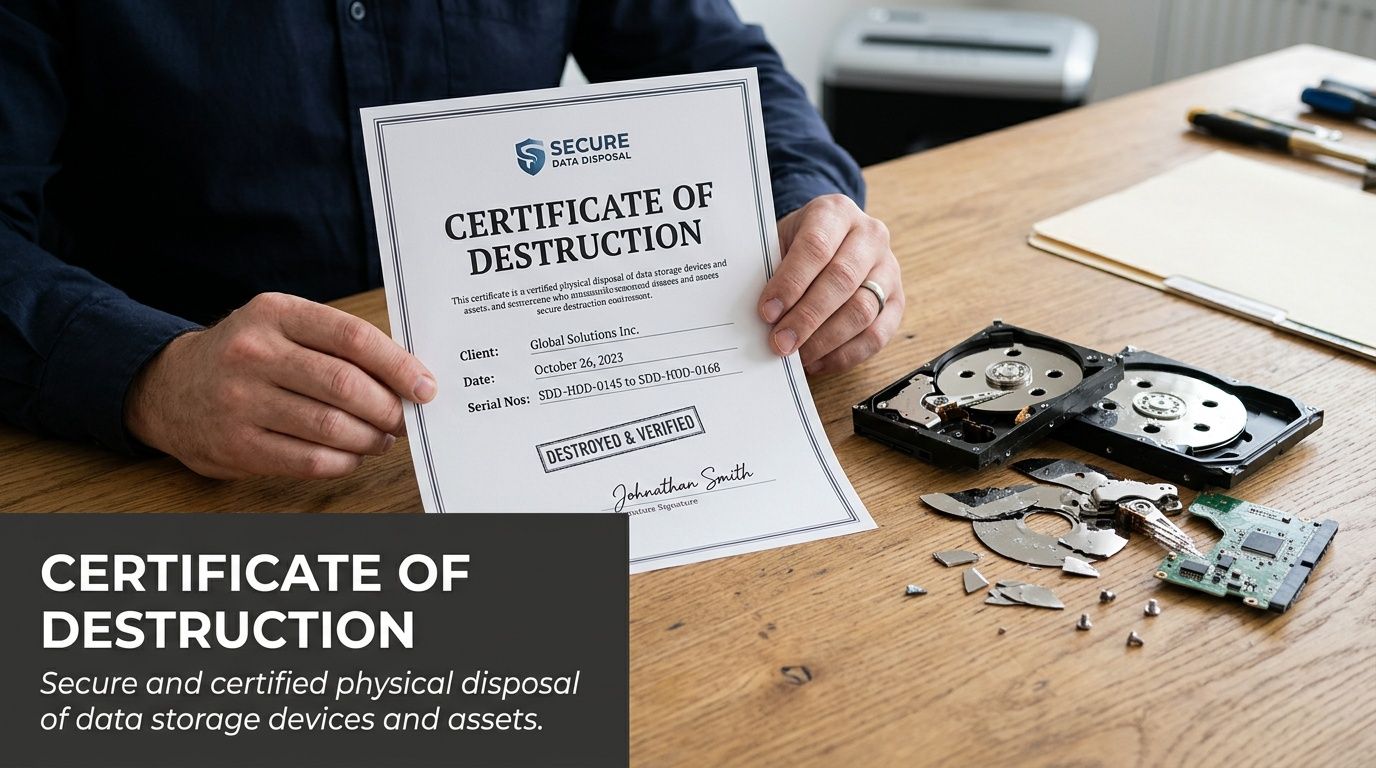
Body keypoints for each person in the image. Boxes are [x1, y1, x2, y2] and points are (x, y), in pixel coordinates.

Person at [0, 0, 905, 480]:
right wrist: (151, 378)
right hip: (185, 475)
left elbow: (718, 62)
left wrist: (809, 209)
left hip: (534, 422)